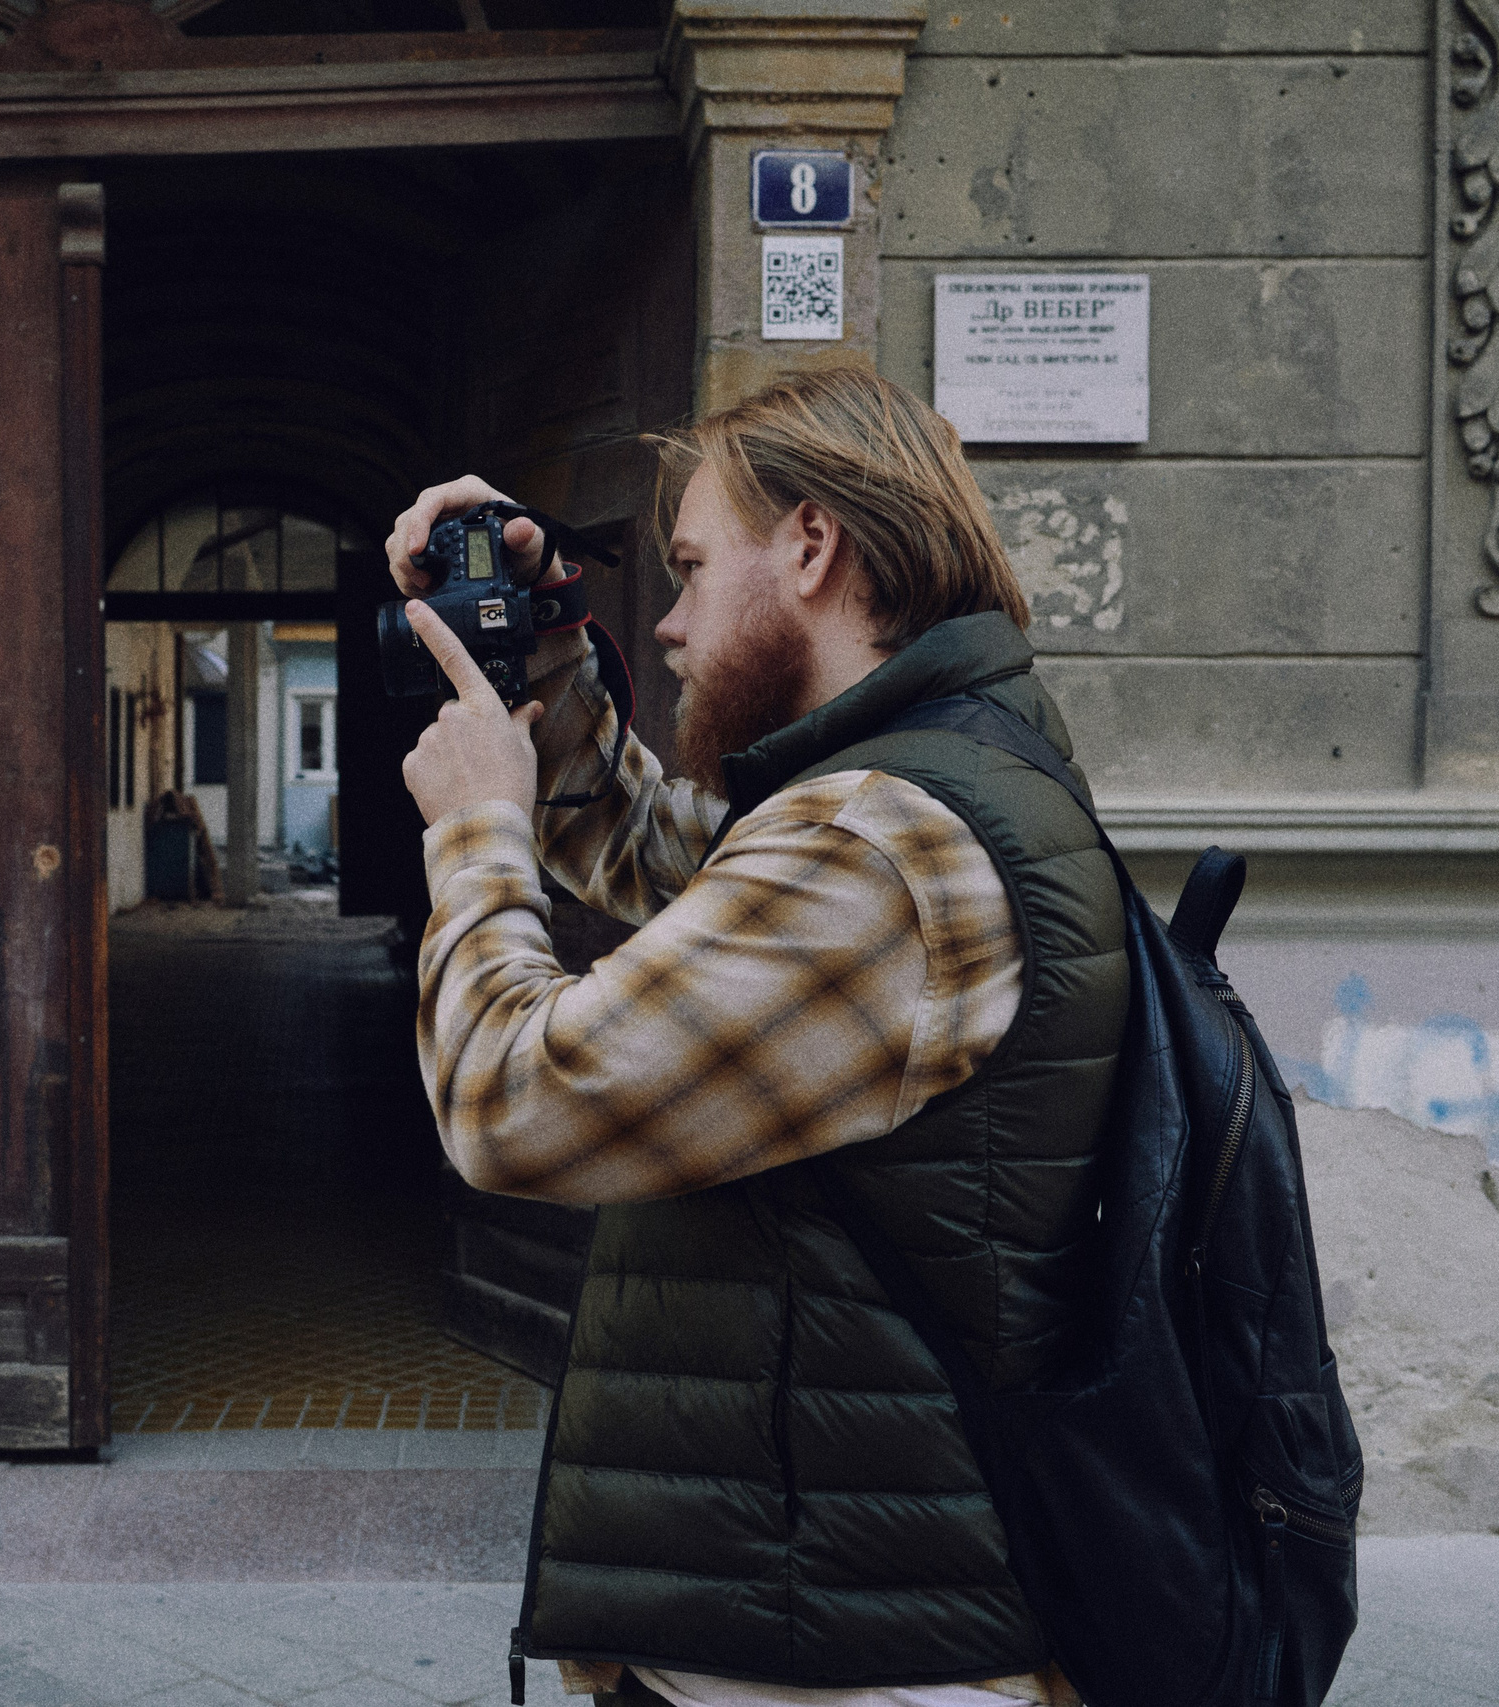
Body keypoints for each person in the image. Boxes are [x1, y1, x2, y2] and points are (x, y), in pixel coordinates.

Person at [385, 368, 1128, 1707]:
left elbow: (509, 1106)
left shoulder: (877, 845)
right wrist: (536, 640)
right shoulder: (925, 775)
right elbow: (658, 853)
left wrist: (476, 835)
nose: (666, 623)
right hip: (830, 1604)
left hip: (846, 1649)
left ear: (810, 545)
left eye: (688, 567)